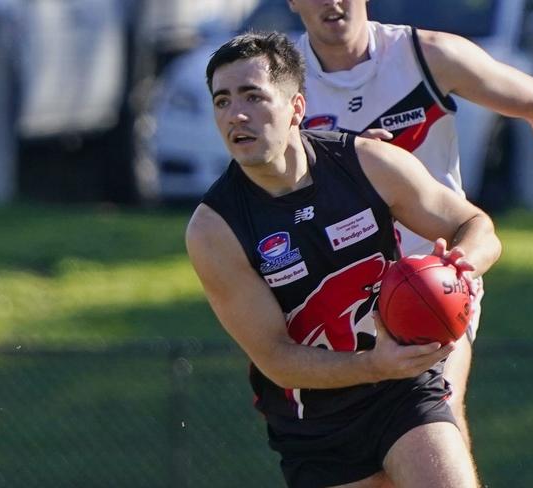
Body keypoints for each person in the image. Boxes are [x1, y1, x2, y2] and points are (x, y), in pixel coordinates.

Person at [187, 32, 501, 487]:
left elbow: (477, 227)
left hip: (402, 392)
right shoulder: (214, 230)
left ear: (297, 107)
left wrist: (457, 266)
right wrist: (374, 365)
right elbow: (275, 357)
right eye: (222, 101)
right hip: (314, 425)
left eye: (253, 96)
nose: (236, 114)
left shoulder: (365, 162)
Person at [287, 0, 533, 450]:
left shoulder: (423, 55)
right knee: (363, 456)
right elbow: (257, 174)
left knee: (436, 419)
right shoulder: (278, 80)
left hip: (431, 278)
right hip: (334, 290)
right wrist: (342, 159)